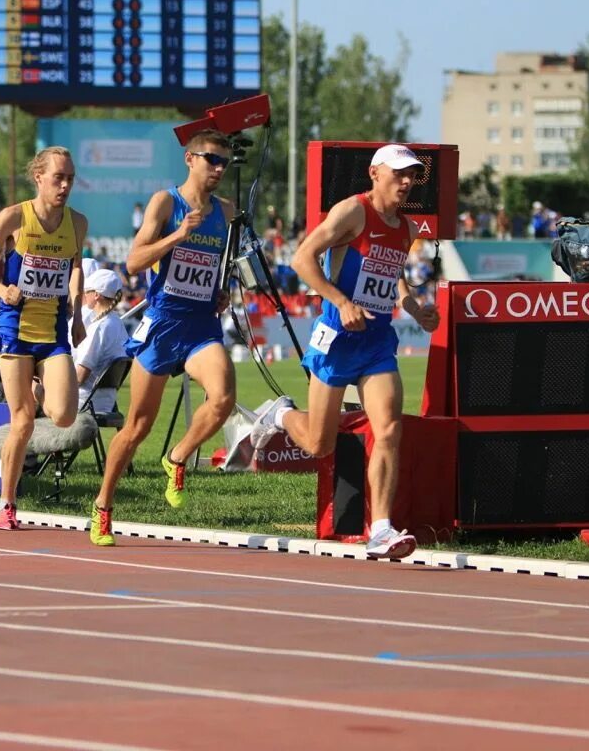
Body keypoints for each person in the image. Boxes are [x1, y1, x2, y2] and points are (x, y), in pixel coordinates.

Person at [249, 143, 441, 560]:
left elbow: (393, 279)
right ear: (375, 174)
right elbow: (303, 259)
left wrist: (414, 308)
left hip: (375, 342)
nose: (407, 182)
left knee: (389, 428)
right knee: (320, 444)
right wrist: (340, 301)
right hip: (337, 336)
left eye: (412, 175)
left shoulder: (407, 229)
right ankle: (279, 413)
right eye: (399, 173)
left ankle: (382, 529)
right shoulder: (353, 211)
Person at [89, 129, 237, 547]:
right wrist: (176, 236)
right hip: (164, 322)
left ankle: (177, 456)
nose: (219, 169)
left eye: (225, 163)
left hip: (201, 324)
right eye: (212, 160)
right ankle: (103, 506)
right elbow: (133, 262)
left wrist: (219, 290)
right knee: (136, 427)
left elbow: (213, 264)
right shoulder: (165, 202)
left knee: (223, 397)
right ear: (190, 159)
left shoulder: (225, 212)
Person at [0, 146, 88, 530]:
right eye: (58, 178)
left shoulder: (77, 222)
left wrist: (79, 311)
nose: (65, 185)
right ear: (39, 178)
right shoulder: (15, 216)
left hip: (53, 331)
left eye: (69, 178)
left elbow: (76, 267)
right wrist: (2, 291)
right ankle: (7, 504)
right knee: (22, 422)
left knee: (66, 415)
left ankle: (38, 391)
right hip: (14, 329)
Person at [73, 268, 129, 413]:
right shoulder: (117, 323)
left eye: (87, 291)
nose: (85, 294)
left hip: (84, 400)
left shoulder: (100, 327)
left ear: (96, 295)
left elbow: (80, 376)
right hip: (106, 401)